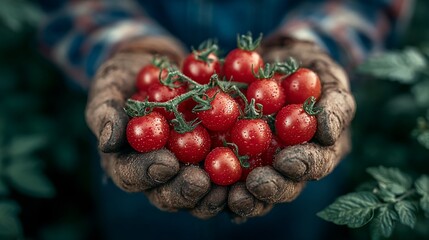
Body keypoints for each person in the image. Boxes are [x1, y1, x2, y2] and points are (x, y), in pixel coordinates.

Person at [38, 0, 413, 239]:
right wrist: (124, 45)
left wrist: (317, 43)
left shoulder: (258, 103)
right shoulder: (170, 110)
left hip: (293, 187)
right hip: (140, 194)